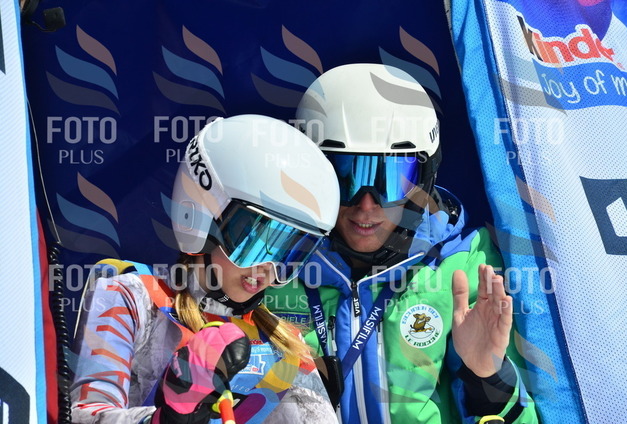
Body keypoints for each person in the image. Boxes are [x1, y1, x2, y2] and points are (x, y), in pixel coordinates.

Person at [264, 64, 539, 423]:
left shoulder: (461, 268)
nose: (366, 206)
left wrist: (487, 379)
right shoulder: (272, 266)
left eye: (391, 180)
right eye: (344, 176)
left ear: (423, 180)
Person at [70, 114, 341, 424]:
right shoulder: (132, 297)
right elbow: (83, 416)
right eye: (254, 244)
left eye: (289, 253)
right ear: (202, 218)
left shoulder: (284, 345)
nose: (267, 268)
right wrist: (166, 419)